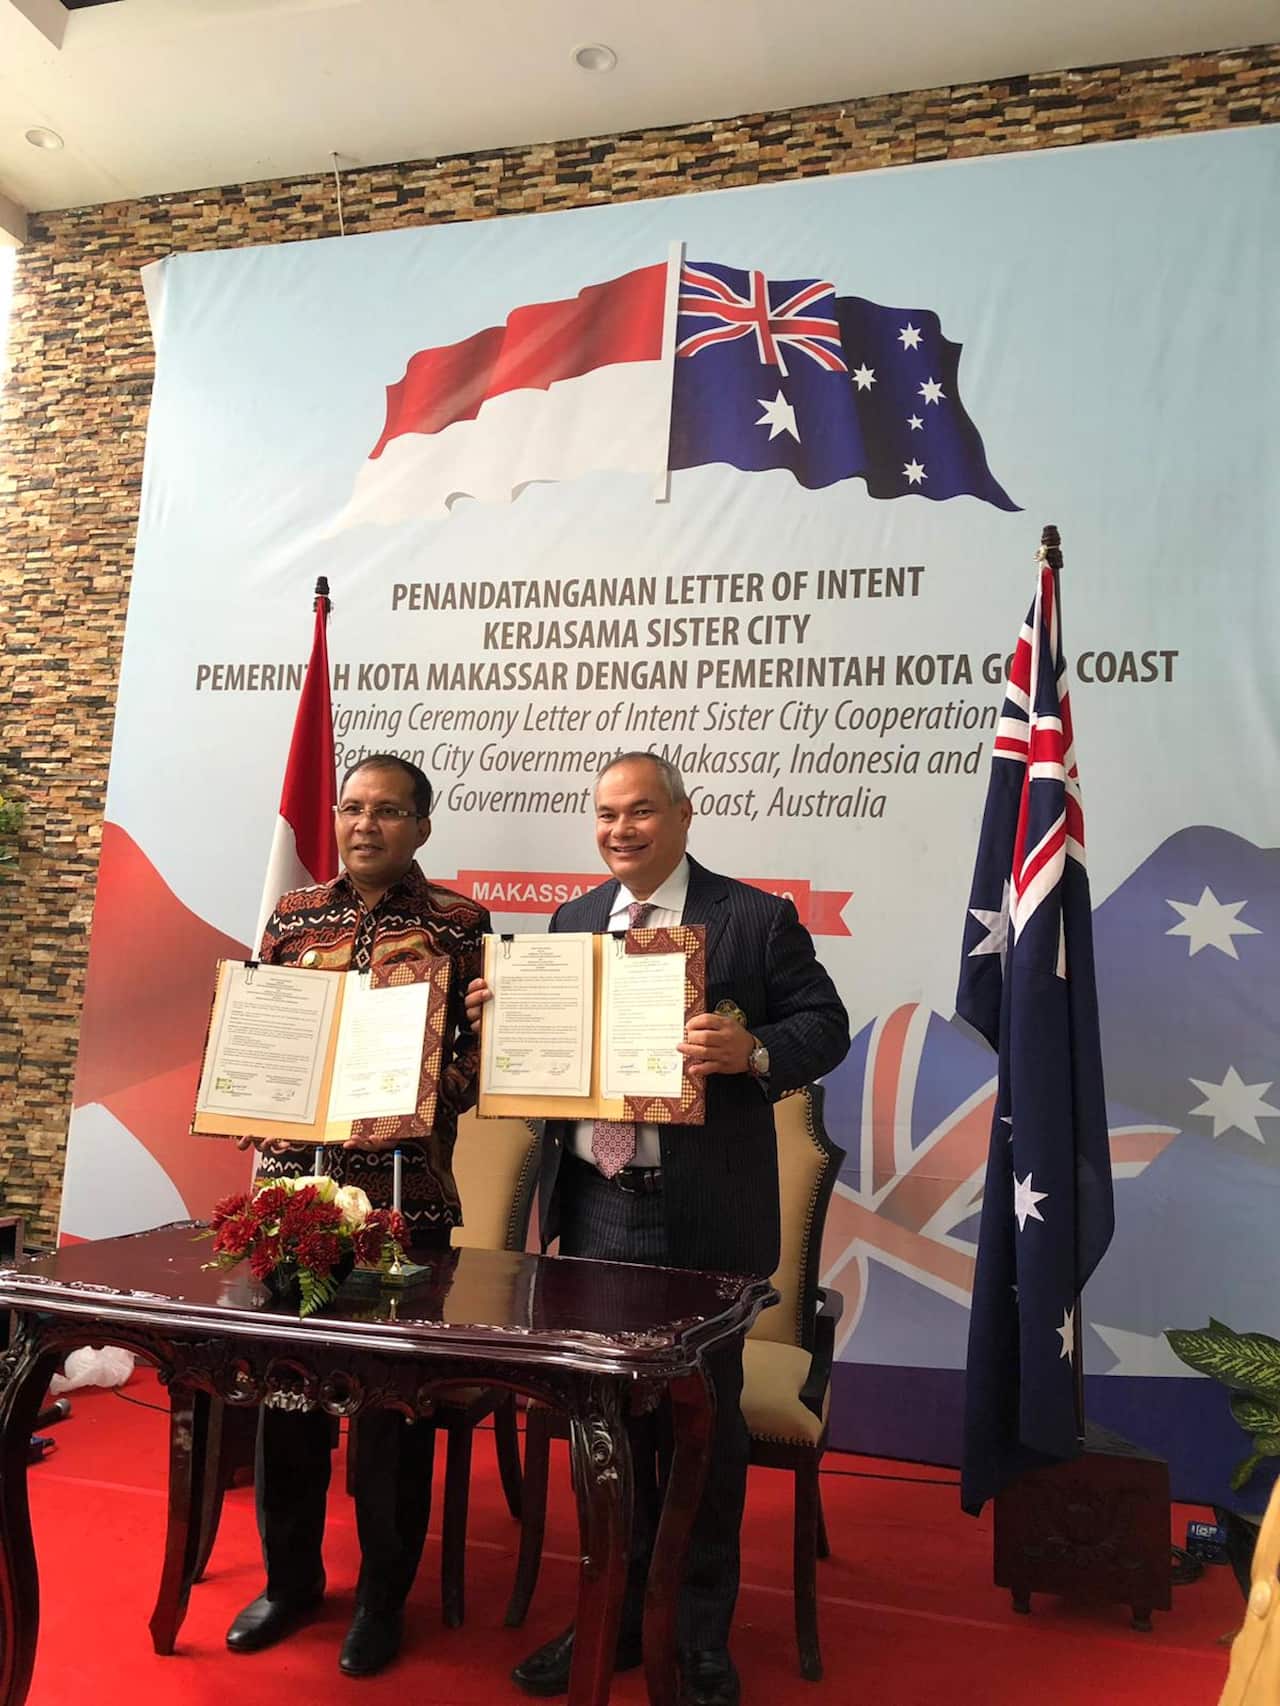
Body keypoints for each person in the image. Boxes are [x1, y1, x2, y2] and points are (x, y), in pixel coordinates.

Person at [466, 752, 849, 1706]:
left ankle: (698, 1635)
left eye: (640, 812)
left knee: (701, 1439)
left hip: (703, 1222)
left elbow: (827, 1024)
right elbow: (551, 1069)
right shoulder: (573, 923)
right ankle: (615, 1619)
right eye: (605, 815)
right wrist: (507, 1024)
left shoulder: (754, 919)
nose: (620, 830)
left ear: (683, 815)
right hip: (594, 1209)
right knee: (608, 1433)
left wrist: (753, 1048)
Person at [226, 754, 489, 1677]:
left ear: (422, 826)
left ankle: (381, 1601)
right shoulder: (295, 918)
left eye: (387, 811)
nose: (364, 825)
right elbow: (261, 1035)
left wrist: (418, 1088)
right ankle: (290, 1580)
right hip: (296, 1198)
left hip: (404, 1205)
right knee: (288, 1399)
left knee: (390, 1417)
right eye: (351, 808)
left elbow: (478, 1065)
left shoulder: (459, 924)